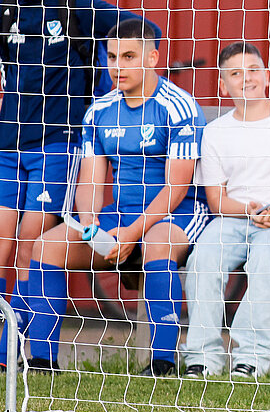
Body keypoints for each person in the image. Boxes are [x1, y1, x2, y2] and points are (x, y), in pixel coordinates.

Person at [0, 0, 160, 373]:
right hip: (8, 143)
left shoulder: (74, 6)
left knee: (33, 241)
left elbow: (142, 28)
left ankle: (15, 356)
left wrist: (103, 81)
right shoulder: (2, 10)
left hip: (58, 145)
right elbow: (13, 71)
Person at [18, 19, 206, 375]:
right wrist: (89, 220)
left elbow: (177, 187)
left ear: (152, 58)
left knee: (157, 245)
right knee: (45, 247)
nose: (118, 66)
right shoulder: (99, 110)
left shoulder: (178, 107)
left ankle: (163, 362)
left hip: (176, 214)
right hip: (119, 215)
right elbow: (90, 179)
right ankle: (43, 361)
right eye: (113, 57)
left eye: (129, 57)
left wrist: (132, 232)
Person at [182, 42, 270, 379]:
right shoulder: (216, 132)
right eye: (236, 73)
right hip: (237, 218)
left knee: (267, 259)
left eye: (253, 69)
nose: (247, 78)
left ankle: (251, 358)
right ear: (223, 86)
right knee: (203, 259)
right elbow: (217, 202)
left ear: (267, 76)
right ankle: (203, 358)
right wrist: (249, 210)